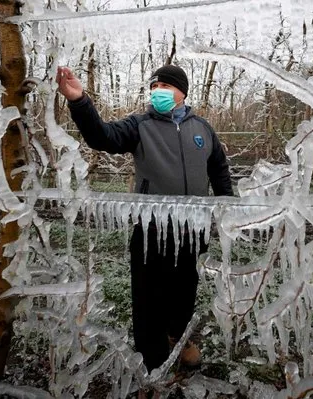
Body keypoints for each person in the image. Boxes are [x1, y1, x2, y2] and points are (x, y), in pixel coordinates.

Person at [56, 64, 233, 373]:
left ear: (182, 92)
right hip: (152, 228)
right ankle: (151, 362)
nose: (158, 90)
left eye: (165, 85)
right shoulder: (140, 125)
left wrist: (226, 202)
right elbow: (102, 137)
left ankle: (177, 337)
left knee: (185, 288)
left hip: (194, 228)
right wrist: (79, 100)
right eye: (155, 86)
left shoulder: (202, 129)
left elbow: (218, 166)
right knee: (150, 295)